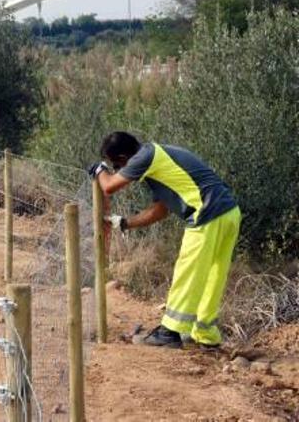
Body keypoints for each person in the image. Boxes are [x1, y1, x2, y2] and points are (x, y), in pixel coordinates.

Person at [88, 132, 241, 349]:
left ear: (124, 158)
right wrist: (124, 223)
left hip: (206, 214)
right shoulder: (158, 163)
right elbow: (160, 210)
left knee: (188, 270)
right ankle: (206, 333)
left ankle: (169, 332)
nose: (118, 170)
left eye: (116, 165)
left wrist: (99, 170)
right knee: (212, 275)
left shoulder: (145, 156)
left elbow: (109, 186)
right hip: (228, 214)